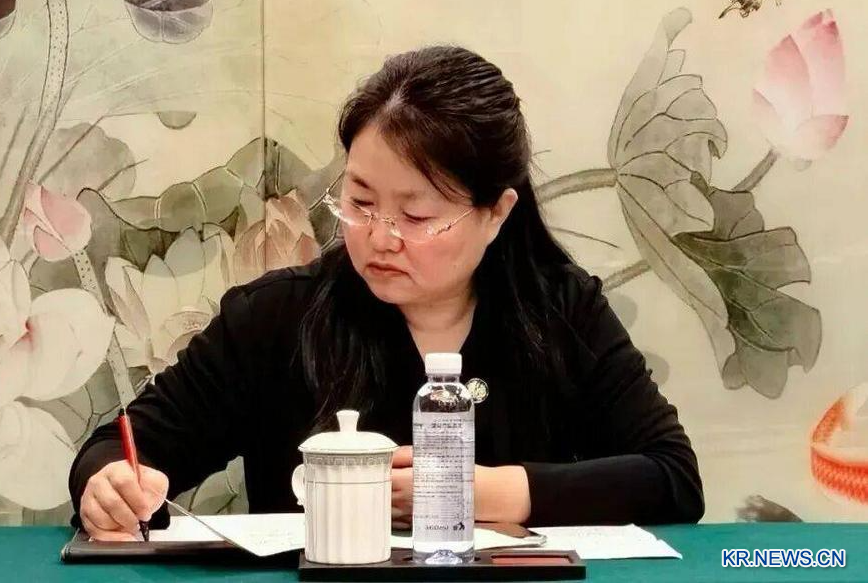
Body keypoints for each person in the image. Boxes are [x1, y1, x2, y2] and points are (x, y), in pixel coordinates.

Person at [70, 45, 705, 540]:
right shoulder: (275, 316)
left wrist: (488, 493)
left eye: (417, 215)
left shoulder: (561, 310)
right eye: (360, 202)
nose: (379, 237)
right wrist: (108, 485)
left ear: (496, 213)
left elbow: (672, 478)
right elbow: (118, 448)